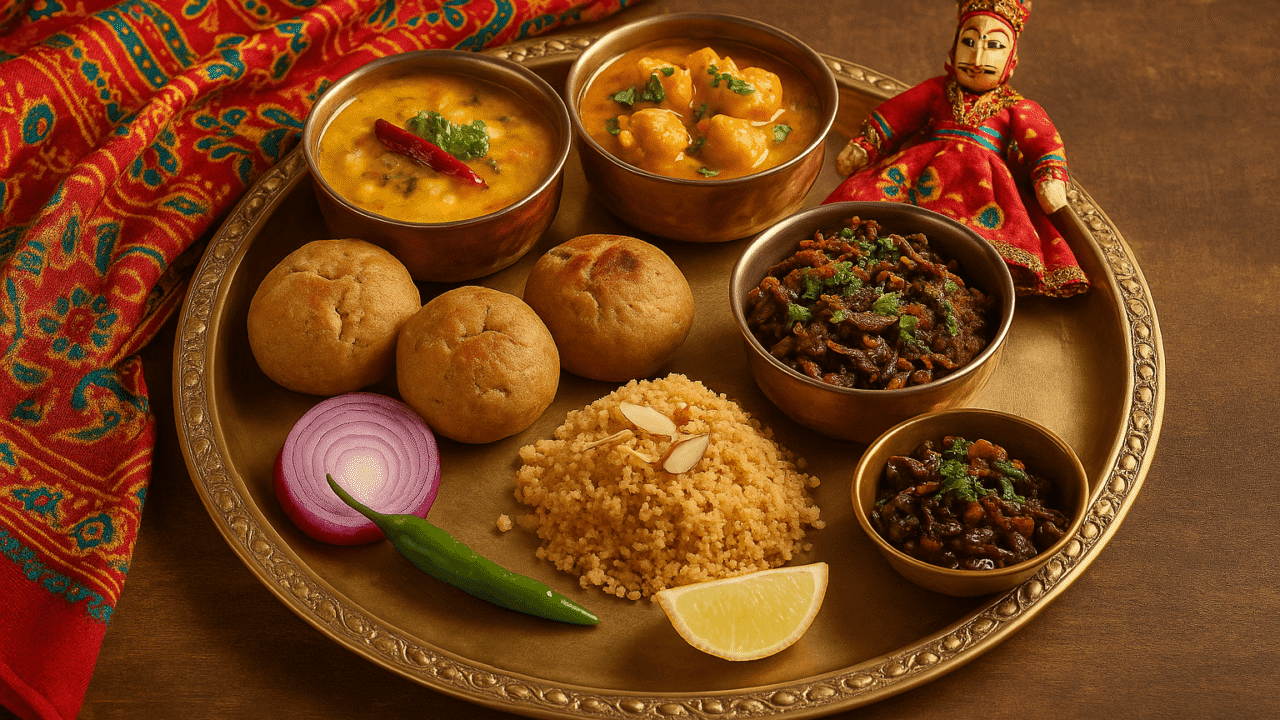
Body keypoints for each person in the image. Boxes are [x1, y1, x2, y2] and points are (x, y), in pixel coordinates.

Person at [826, 0, 1088, 297]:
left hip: (984, 190)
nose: (977, 58)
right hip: (919, 176)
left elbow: (1041, 139)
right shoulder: (937, 91)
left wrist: (1050, 177)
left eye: (994, 46)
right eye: (969, 42)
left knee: (988, 245)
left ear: (1012, 59)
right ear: (954, 48)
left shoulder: (1017, 107)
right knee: (868, 213)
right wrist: (866, 145)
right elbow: (900, 113)